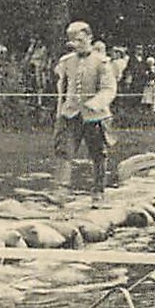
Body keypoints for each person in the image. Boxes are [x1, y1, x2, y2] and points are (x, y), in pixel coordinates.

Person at [52, 21, 117, 199]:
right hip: (71, 114)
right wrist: (60, 112)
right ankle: (61, 191)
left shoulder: (102, 62)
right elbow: (62, 89)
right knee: (64, 151)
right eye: (73, 42)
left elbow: (109, 89)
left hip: (95, 116)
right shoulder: (66, 62)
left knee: (98, 154)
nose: (77, 45)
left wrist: (94, 103)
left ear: (90, 38)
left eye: (80, 40)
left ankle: (98, 191)